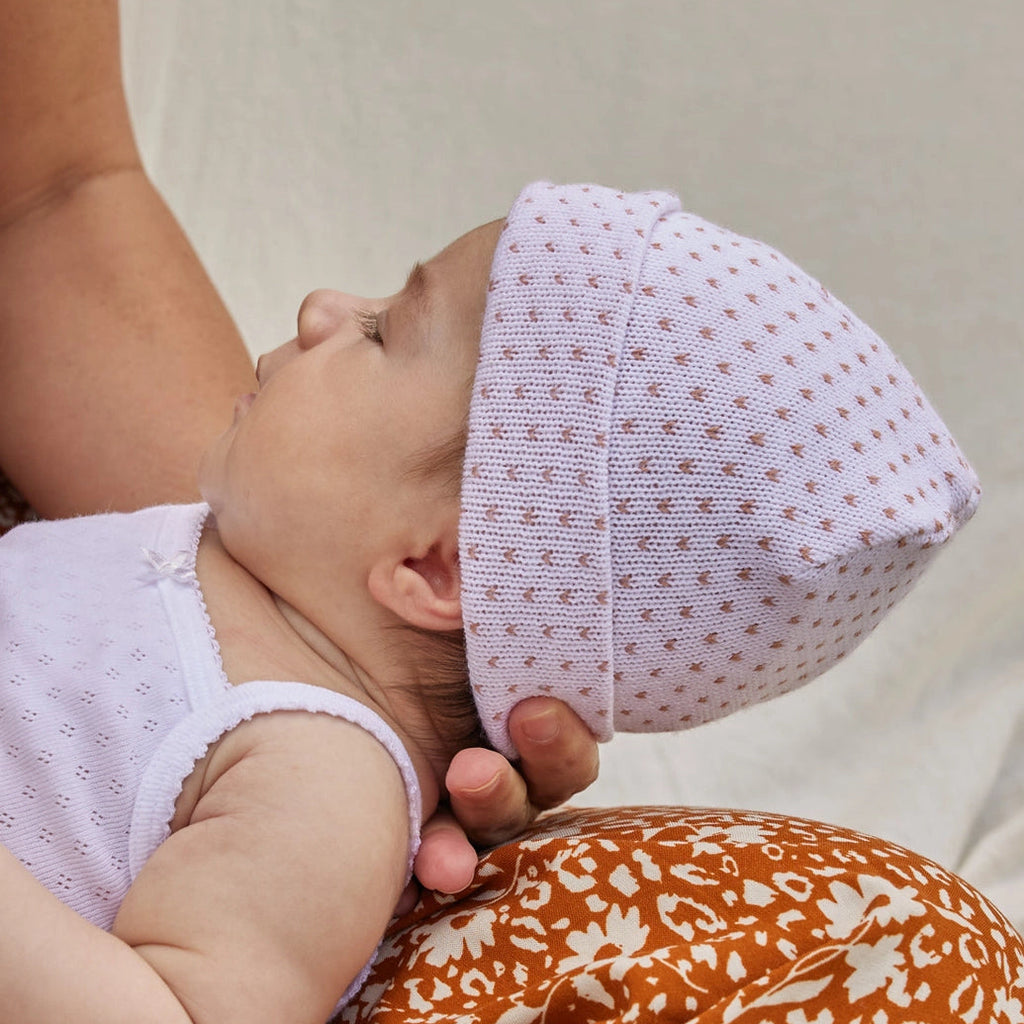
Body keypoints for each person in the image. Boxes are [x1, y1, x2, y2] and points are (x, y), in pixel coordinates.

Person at [1, 5, 1019, 1024]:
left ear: (435, 567)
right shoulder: (208, 569)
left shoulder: (314, 781)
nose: (321, 307)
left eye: (381, 331)